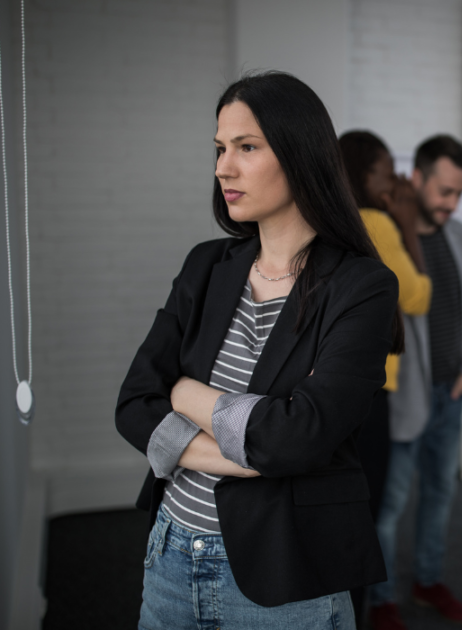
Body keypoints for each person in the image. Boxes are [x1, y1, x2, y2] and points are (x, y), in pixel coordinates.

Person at [115, 72, 402, 629]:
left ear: (300, 154)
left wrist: (185, 391)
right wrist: (245, 454)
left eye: (247, 147)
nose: (224, 167)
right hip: (171, 554)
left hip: (284, 575)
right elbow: (133, 404)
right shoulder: (206, 265)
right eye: (221, 148)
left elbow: (298, 437)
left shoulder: (361, 285)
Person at [368, 135, 462, 630]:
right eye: (444, 191)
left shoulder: (459, 236)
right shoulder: (388, 234)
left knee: (440, 493)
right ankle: (382, 598)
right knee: (389, 505)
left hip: (451, 391)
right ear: (417, 179)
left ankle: (428, 580)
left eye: (459, 193)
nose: (451, 205)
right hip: (406, 396)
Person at [338, 130, 432, 624]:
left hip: (328, 384)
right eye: (382, 171)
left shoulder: (328, 221)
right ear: (364, 175)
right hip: (372, 389)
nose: (391, 180)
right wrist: (408, 225)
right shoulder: (376, 221)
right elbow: (416, 297)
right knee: (366, 513)